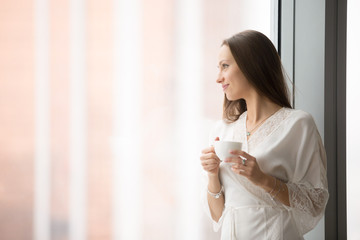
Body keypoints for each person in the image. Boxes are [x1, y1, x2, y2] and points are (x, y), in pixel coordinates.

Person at [200, 30, 328, 239]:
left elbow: (314, 204)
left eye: (225, 66)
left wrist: (263, 179)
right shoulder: (222, 130)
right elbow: (219, 216)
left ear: (251, 65)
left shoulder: (297, 124)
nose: (218, 78)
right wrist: (212, 174)